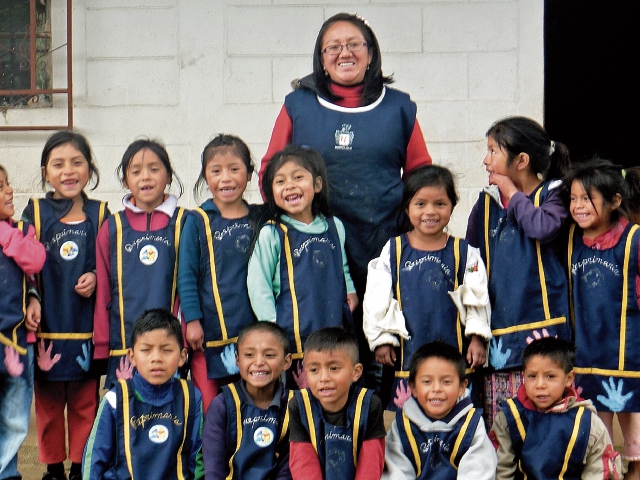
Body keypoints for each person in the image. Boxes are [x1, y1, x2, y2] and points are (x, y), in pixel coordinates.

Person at [259, 12, 432, 387]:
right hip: (315, 246)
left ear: (371, 53)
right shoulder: (297, 105)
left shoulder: (399, 107)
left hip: (383, 242)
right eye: (333, 47)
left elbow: (422, 176)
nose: (344, 53)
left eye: (354, 44)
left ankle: (377, 428)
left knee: (382, 345)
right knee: (328, 344)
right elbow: (270, 169)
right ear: (321, 59)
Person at [465, 116, 572, 427]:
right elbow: (472, 269)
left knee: (545, 421)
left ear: (521, 160)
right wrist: (474, 330)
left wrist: (512, 193)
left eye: (493, 151)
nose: (486, 160)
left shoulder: (555, 193)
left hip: (544, 329)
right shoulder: (485, 205)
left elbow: (542, 227)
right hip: (499, 334)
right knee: (503, 427)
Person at [363, 165, 491, 410]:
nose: (430, 211)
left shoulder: (465, 253)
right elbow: (377, 298)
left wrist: (477, 338)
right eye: (420, 204)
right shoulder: (393, 250)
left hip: (454, 350)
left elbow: (478, 297)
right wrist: (382, 338)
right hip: (407, 355)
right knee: (407, 425)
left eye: (440, 204)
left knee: (456, 420)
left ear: (452, 205)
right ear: (407, 207)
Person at [20, 131, 109, 480]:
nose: (68, 171)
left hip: (87, 330)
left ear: (90, 168)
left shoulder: (101, 213)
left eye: (77, 162)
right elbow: (24, 265)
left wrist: (98, 276)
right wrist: (30, 298)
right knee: (49, 406)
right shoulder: (35, 212)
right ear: (45, 171)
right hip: (47, 329)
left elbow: (111, 262)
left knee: (87, 405)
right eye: (58, 164)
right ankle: (53, 468)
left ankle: (80, 468)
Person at [247, 145, 357, 389]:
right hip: (293, 337)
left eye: (298, 177)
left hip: (332, 328)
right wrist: (272, 326)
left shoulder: (334, 226)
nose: (290, 185)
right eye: (280, 181)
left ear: (317, 184)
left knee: (332, 390)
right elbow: (258, 284)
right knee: (299, 398)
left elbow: (343, 267)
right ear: (270, 191)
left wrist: (350, 292)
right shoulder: (273, 233)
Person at [565, 158, 640, 478]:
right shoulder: (570, 241)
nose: (578, 206)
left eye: (587, 198)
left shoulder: (634, 239)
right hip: (586, 353)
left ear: (614, 201)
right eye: (573, 198)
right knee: (597, 431)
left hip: (626, 351)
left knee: (634, 429)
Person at [178, 134, 261, 413]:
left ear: (249, 174)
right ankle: (210, 457)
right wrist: (193, 320)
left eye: (234, 169)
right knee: (212, 405)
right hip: (209, 332)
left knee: (250, 401)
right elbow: (186, 274)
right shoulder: (197, 220)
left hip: (252, 330)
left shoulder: (259, 219)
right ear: (205, 176)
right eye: (216, 171)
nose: (226, 178)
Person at [93, 139, 186, 388]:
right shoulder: (112, 227)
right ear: (125, 181)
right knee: (125, 416)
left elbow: (191, 285)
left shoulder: (185, 222)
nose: (145, 177)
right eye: (136, 171)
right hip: (124, 344)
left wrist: (186, 336)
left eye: (154, 169)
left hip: (170, 345)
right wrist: (102, 343)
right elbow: (102, 287)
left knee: (168, 415)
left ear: (168, 176)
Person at [82, 308, 202, 479]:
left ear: (183, 357)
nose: (156, 358)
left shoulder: (191, 397)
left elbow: (197, 457)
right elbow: (94, 460)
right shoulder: (115, 400)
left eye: (167, 350)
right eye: (146, 350)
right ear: (131, 356)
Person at [490, 337, 622, 480]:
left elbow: (599, 473)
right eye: (532, 376)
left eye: (550, 376)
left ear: (569, 378)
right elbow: (501, 471)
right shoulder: (510, 418)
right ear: (524, 377)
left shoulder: (588, 423)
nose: (540, 384)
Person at [383, 341, 496, 479]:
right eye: (427, 382)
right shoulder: (403, 425)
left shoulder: (471, 423)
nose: (436, 389)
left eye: (446, 382)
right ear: (413, 387)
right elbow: (397, 472)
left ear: (462, 387)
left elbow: (479, 470)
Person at [288, 327, 386, 479]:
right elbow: (303, 463)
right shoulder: (299, 405)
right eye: (314, 370)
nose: (324, 378)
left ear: (356, 372)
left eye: (334, 368)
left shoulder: (369, 404)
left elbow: (370, 465)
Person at [0, 164, 46, 480]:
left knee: (15, 419)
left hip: (16, 344)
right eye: (0, 187)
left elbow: (35, 261)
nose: (9, 191)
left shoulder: (20, 229)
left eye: (7, 184)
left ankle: (6, 473)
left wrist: (33, 298)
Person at [203, 321, 293, 480]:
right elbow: (213, 467)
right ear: (237, 361)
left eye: (269, 355)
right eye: (249, 355)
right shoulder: (222, 404)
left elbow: (288, 467)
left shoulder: (294, 404)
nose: (258, 362)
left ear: (286, 361)